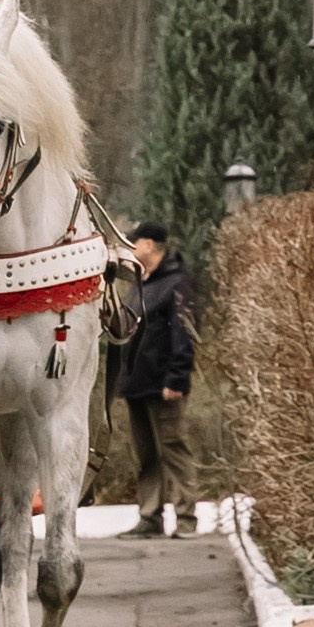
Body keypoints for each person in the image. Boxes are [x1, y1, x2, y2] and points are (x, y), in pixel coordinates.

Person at [120, 220, 199, 535]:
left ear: (149, 245)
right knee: (147, 456)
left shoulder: (176, 284)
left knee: (174, 451)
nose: (130, 248)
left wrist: (176, 379)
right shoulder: (141, 284)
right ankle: (150, 517)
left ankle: (186, 518)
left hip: (163, 384)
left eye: (133, 242)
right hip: (137, 384)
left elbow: (185, 334)